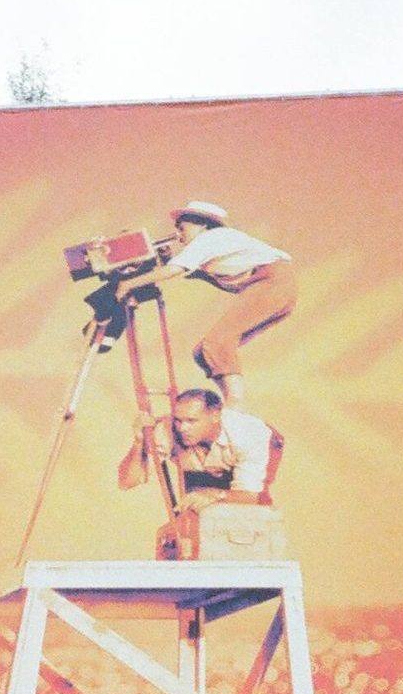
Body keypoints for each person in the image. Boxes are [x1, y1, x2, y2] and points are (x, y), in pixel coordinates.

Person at [104, 201, 297, 408]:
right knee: (203, 352)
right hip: (279, 290)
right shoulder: (217, 245)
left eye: (182, 228)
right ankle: (228, 404)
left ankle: (236, 405)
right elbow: (190, 270)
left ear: (202, 224)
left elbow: (175, 270)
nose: (178, 235)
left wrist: (128, 284)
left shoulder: (210, 238)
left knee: (217, 342)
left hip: (273, 284)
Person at [118, 388, 282, 514]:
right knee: (195, 506)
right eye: (178, 420)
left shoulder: (248, 435)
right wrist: (138, 442)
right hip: (206, 464)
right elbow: (127, 482)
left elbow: (250, 496)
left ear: (215, 416)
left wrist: (216, 495)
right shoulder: (168, 429)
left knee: (255, 508)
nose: (182, 428)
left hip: (261, 447)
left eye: (191, 421)